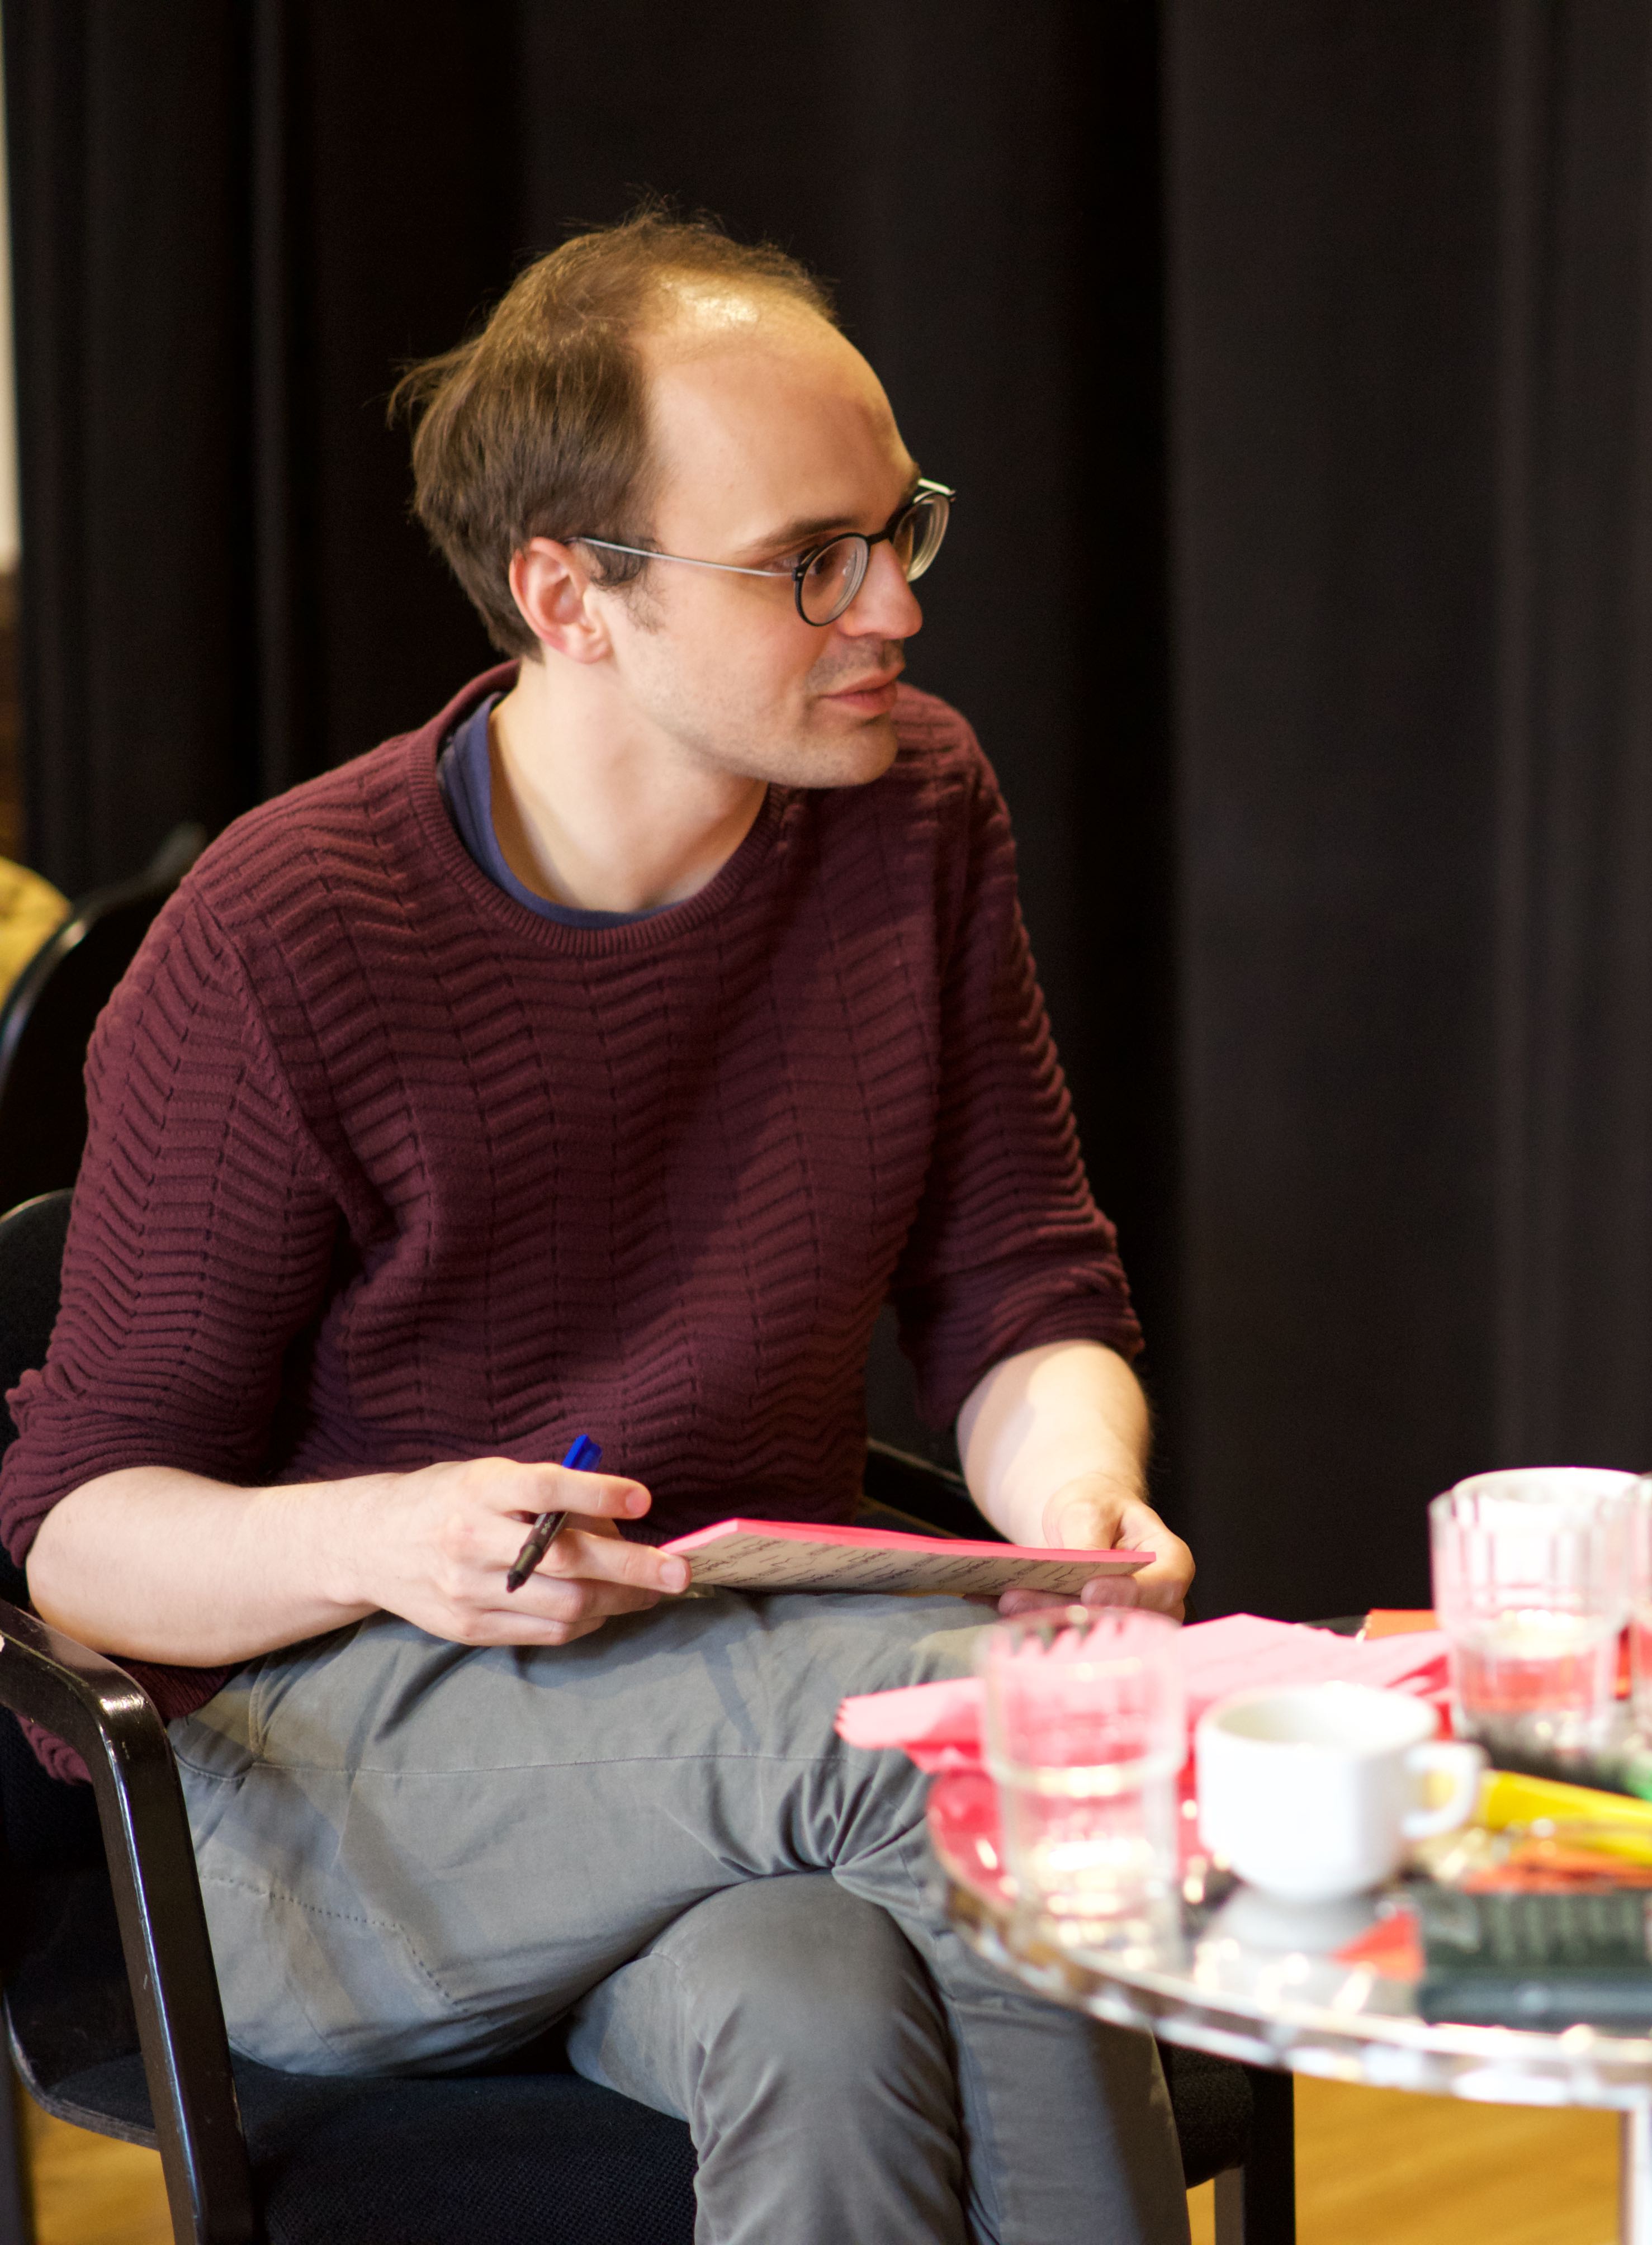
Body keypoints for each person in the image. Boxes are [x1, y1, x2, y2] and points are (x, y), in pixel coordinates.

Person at [0, 212, 1194, 2244]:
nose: (896, 603)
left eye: (900, 525)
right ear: (573, 597)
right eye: (811, 559)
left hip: (737, 1717)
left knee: (819, 2016)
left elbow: (1017, 1287)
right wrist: (391, 1537)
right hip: (321, 1804)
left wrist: (1077, 1503)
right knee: (972, 1736)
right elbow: (78, 1542)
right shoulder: (283, 937)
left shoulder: (910, 808)